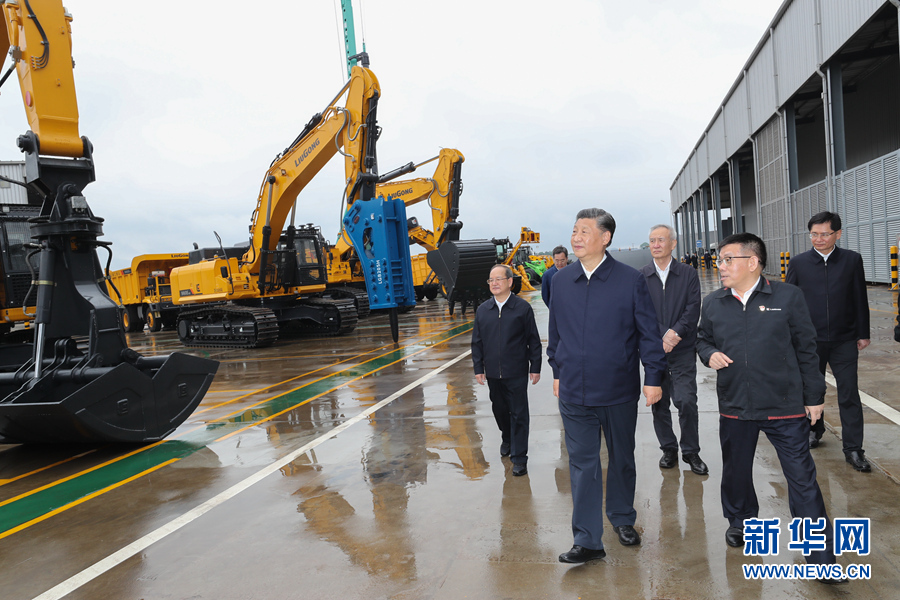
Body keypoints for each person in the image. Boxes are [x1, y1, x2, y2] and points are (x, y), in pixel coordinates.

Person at [696, 233, 837, 570]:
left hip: (784, 405)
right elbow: (702, 339)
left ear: (753, 262)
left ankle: (820, 556)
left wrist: (814, 397)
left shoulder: (788, 297)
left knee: (802, 479)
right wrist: (709, 353)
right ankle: (741, 521)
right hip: (736, 405)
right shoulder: (714, 302)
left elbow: (807, 349)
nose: (721, 266)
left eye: (728, 259)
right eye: (720, 260)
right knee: (736, 471)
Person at [548, 208, 665, 564]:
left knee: (621, 457)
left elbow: (648, 333)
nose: (576, 237)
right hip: (574, 391)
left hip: (618, 389)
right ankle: (586, 540)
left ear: (605, 237)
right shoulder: (560, 281)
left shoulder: (629, 280)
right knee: (582, 464)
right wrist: (557, 370)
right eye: (574, 231)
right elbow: (555, 332)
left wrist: (653, 378)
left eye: (584, 231)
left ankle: (622, 517)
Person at [785, 212, 872, 472]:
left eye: (825, 234)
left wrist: (863, 333)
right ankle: (814, 430)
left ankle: (853, 448)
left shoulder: (851, 260)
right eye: (814, 234)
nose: (819, 239)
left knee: (849, 393)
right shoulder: (799, 263)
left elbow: (859, 297)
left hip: (844, 339)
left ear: (838, 234)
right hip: (809, 341)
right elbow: (789, 301)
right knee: (812, 390)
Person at [640, 225, 707, 475]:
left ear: (673, 244)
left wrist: (675, 333)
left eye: (661, 240)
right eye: (652, 241)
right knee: (659, 402)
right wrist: (662, 334)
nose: (656, 245)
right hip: (654, 351)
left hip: (682, 348)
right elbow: (641, 312)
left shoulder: (688, 273)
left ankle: (691, 451)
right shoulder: (642, 276)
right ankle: (668, 448)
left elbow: (693, 307)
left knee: (686, 400)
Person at [471, 264, 542, 477]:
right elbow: (477, 342)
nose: (494, 283)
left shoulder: (522, 308)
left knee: (519, 413)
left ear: (510, 282)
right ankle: (507, 437)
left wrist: (535, 366)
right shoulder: (483, 310)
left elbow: (533, 339)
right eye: (490, 280)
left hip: (516, 371)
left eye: (498, 279)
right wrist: (478, 368)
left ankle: (519, 458)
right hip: (493, 373)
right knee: (500, 410)